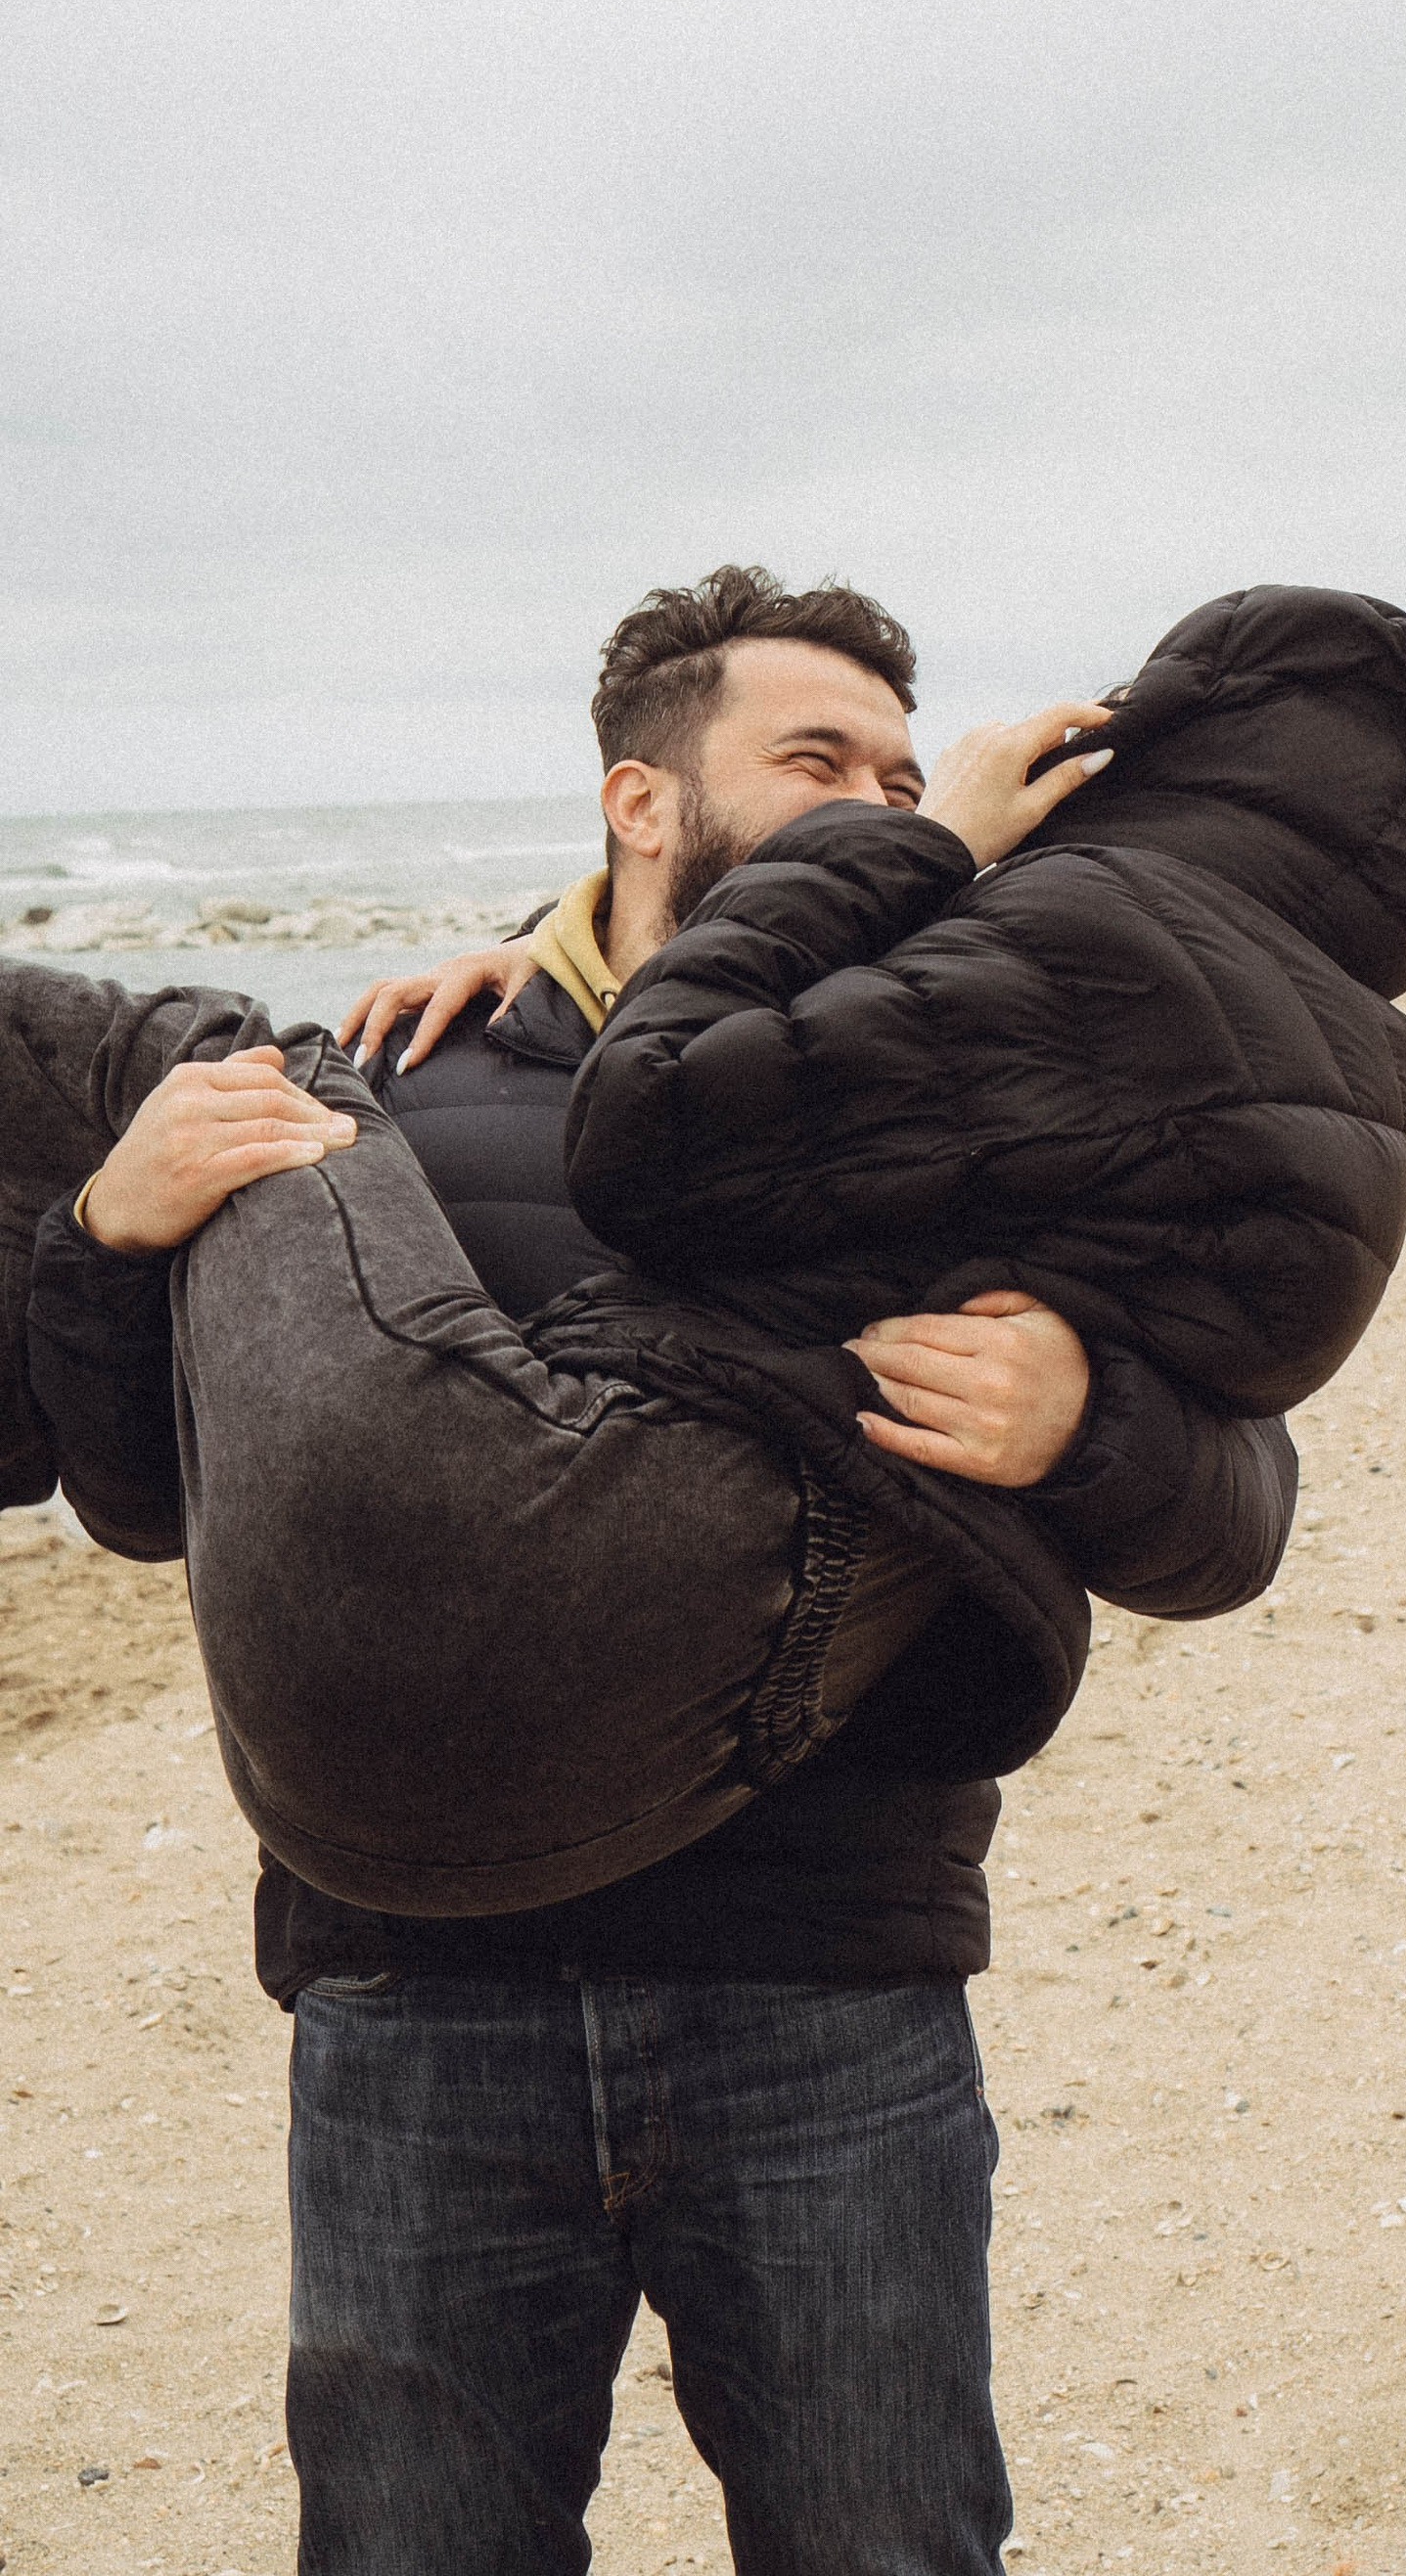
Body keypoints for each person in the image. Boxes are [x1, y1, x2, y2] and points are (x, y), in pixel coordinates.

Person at [12, 566, 1299, 2576]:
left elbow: (1226, 1521)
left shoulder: (989, 1130)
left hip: (827, 1983)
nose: (884, 802)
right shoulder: (391, 1098)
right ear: (639, 802)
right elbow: (150, 1503)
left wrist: (1087, 1422)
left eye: (902, 766)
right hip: (418, 1998)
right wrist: (105, 1230)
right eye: (818, 760)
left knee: (886, 2546)